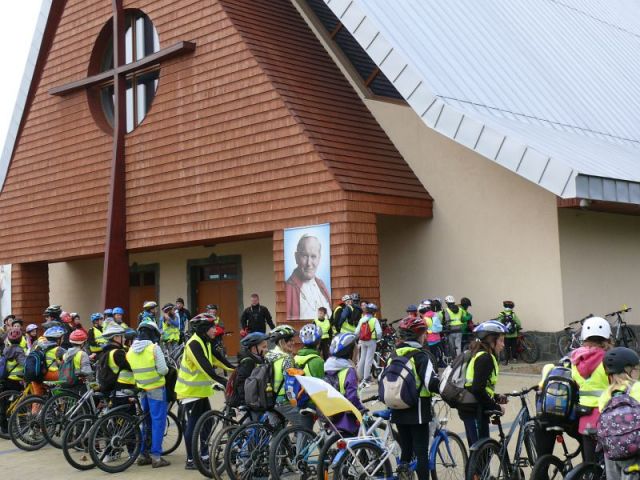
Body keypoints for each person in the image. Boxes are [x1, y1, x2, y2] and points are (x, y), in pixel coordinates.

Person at [175, 313, 228, 470]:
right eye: (212, 327)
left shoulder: (206, 342)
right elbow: (205, 367)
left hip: (200, 391)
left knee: (207, 422)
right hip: (190, 391)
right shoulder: (194, 344)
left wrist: (237, 370)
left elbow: (219, 360)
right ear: (204, 329)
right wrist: (223, 381)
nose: (215, 330)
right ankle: (191, 460)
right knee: (193, 425)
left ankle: (204, 456)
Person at [391, 316, 440, 480]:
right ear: (419, 335)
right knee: (421, 452)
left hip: (397, 407)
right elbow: (431, 383)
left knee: (406, 448)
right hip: (417, 409)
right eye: (424, 333)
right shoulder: (420, 356)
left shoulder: (393, 354)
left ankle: (403, 476)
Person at [126, 321, 171, 468]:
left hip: (141, 389)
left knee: (146, 421)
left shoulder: (131, 349)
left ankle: (143, 454)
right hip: (156, 388)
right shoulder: (154, 348)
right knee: (158, 421)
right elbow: (164, 370)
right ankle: (157, 457)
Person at [459, 320, 508, 448]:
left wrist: (495, 396)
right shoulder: (485, 358)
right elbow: (477, 389)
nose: (503, 345)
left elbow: (478, 385)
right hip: (474, 410)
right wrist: (496, 407)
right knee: (480, 454)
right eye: (501, 340)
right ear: (491, 341)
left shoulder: (480, 354)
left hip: (473, 407)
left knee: (478, 452)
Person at [570, 315, 612, 462]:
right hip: (605, 415)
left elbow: (575, 383)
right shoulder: (609, 359)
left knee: (589, 462)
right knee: (609, 462)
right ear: (606, 338)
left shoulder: (575, 359)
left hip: (584, 415)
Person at [598, 347, 640, 480]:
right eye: (636, 369)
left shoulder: (605, 394)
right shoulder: (637, 387)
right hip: (635, 449)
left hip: (612, 450)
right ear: (629, 370)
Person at [324, 332, 365, 435]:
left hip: (333, 415)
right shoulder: (348, 370)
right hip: (347, 419)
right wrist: (360, 408)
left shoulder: (328, 366)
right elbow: (352, 397)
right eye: (356, 349)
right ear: (350, 352)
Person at [285, 235, 331, 320]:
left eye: (313, 256)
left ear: (319, 258)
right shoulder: (288, 288)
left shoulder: (321, 285)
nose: (309, 263)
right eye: (304, 256)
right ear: (296, 257)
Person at [267, 325, 302, 427]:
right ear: (281, 342)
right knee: (303, 423)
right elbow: (290, 382)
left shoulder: (269, 355)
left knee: (277, 431)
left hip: (269, 398)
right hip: (282, 400)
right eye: (289, 340)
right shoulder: (286, 359)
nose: (293, 343)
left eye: (292, 340)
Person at [234, 332, 269, 415]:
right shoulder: (248, 362)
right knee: (253, 425)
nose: (267, 349)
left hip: (254, 399)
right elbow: (241, 382)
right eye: (264, 347)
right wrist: (246, 403)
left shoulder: (258, 359)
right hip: (249, 402)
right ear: (254, 348)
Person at [1, 328, 26, 434]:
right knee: (23, 402)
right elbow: (24, 364)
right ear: (21, 339)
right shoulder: (19, 350)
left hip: (6, 379)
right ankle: (23, 425)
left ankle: (4, 427)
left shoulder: (6, 349)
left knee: (5, 403)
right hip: (16, 380)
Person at [99, 323, 135, 393]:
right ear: (115, 337)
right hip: (123, 387)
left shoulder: (106, 352)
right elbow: (131, 366)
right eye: (122, 336)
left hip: (113, 388)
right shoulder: (118, 353)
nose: (124, 339)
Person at [32, 326, 67, 397]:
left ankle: (39, 406)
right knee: (69, 380)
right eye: (62, 338)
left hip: (36, 374)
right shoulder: (58, 349)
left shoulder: (38, 346)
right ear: (57, 339)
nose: (63, 340)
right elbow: (70, 356)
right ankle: (61, 400)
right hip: (51, 374)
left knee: (37, 398)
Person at [356, 303, 382, 388]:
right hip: (371, 341)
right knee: (369, 360)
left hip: (363, 340)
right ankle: (366, 378)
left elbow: (356, 331)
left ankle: (359, 376)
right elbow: (379, 332)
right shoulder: (374, 320)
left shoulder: (362, 319)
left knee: (362, 358)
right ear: (374, 312)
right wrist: (378, 338)